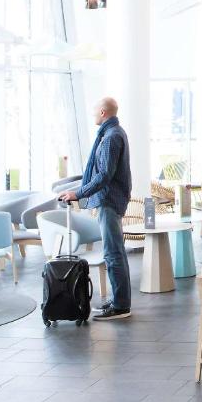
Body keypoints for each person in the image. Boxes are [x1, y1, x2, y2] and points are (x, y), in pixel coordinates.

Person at [59, 97, 132, 320]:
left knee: (113, 254)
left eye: (94, 112)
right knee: (116, 252)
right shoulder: (115, 133)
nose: (92, 116)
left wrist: (78, 193)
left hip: (109, 201)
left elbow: (104, 175)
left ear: (102, 112)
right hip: (112, 200)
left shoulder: (110, 137)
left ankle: (120, 307)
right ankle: (120, 301)